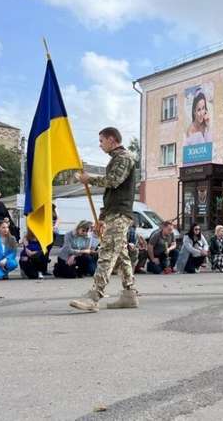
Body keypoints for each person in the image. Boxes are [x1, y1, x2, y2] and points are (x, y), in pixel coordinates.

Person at [69, 127, 138, 311]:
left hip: (120, 213)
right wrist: (102, 218)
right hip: (113, 213)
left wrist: (88, 178)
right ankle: (129, 295)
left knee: (107, 252)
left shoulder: (124, 157)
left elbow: (113, 181)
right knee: (121, 254)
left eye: (101, 141)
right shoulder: (117, 159)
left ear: (112, 139)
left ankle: (94, 297)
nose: (100, 145)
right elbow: (111, 193)